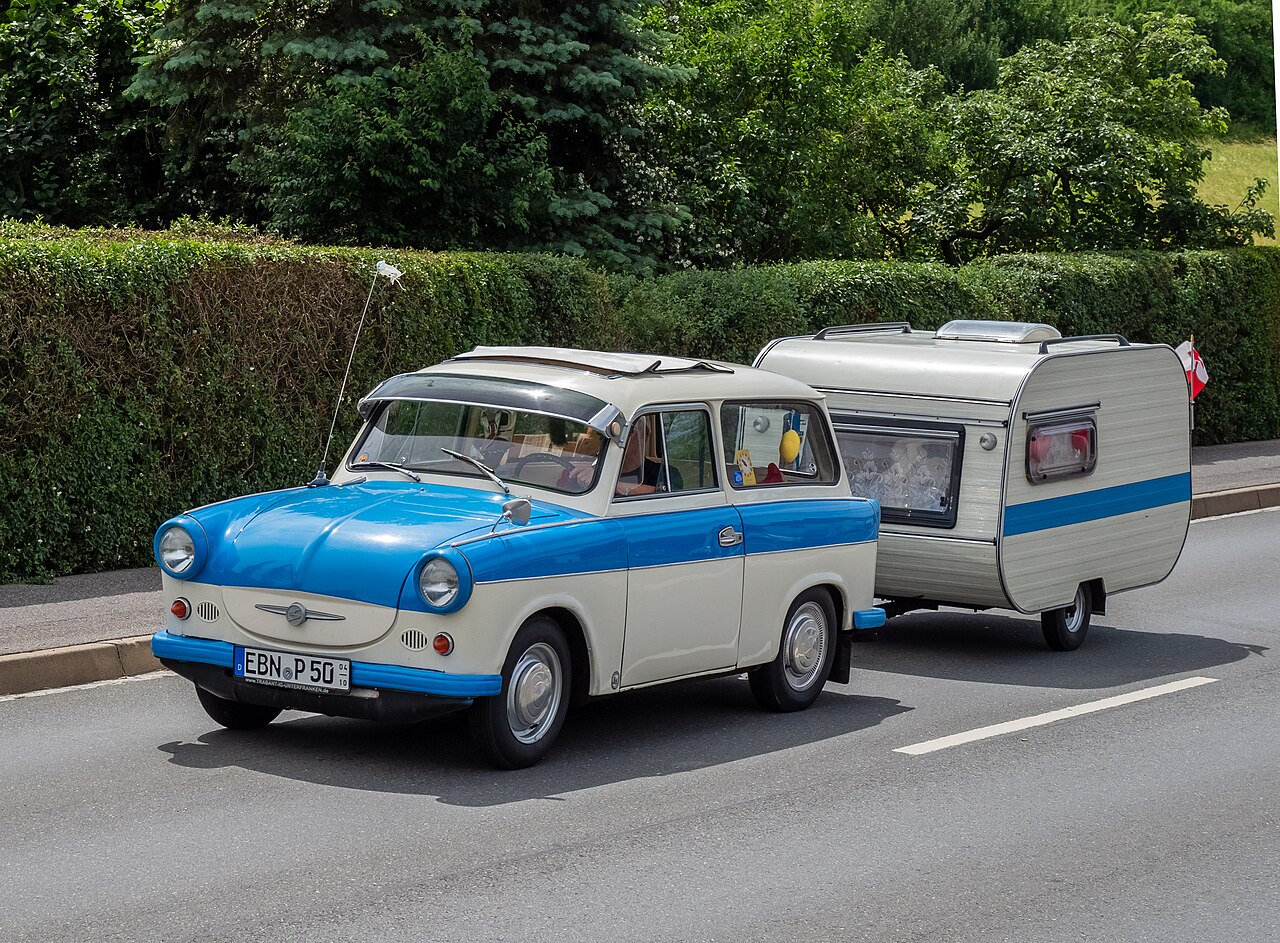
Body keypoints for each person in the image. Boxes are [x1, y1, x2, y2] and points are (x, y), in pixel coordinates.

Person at [615, 415, 664, 496]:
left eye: (624, 430)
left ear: (644, 433)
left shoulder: (663, 472)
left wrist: (610, 485)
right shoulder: (599, 470)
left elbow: (659, 493)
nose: (616, 438)